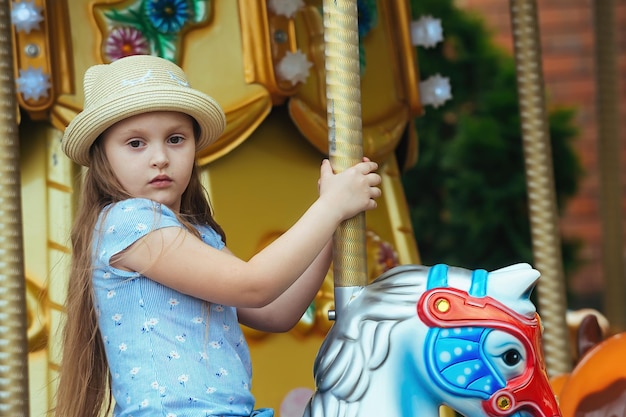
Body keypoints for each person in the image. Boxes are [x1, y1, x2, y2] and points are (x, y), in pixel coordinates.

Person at [54, 54, 381, 417]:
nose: (160, 157)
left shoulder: (198, 234)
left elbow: (274, 311)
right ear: (103, 156)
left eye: (176, 139)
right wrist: (330, 208)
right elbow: (254, 285)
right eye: (136, 144)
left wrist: (334, 225)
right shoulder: (129, 221)